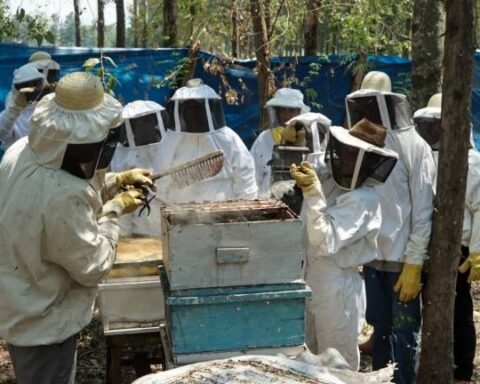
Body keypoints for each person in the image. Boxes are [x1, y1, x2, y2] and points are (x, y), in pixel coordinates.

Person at [0, 72, 154, 384]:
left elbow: (67, 182)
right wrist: (113, 211)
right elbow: (93, 266)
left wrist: (116, 181)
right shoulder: (62, 195)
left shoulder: (21, 151)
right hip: (44, 324)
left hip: (22, 302)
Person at [346, 71, 436, 383]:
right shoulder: (358, 143)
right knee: (379, 328)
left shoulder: (414, 146)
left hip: (402, 260)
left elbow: (424, 210)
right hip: (372, 257)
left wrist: (414, 262)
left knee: (404, 334)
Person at [290, 118, 398, 370]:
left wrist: (313, 193)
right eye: (346, 152)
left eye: (354, 155)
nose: (346, 159)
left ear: (369, 162)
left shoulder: (365, 199)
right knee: (305, 359)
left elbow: (324, 240)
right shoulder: (329, 180)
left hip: (337, 286)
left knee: (337, 362)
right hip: (307, 277)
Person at [414, 93, 478, 384]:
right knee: (430, 307)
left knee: (460, 310)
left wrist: (477, 251)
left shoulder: (471, 161)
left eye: (436, 125)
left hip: (460, 249)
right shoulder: (424, 157)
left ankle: (462, 373)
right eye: (428, 125)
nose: (431, 131)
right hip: (428, 244)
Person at [156, 78, 257, 203]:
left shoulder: (228, 137)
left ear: (210, 108)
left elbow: (245, 174)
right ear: (181, 110)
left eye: (197, 108)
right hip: (180, 210)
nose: (194, 113)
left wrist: (243, 208)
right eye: (189, 108)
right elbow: (161, 183)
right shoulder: (170, 140)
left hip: (224, 209)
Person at [110, 100, 168, 237]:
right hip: (140, 233)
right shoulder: (120, 155)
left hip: (174, 227)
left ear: (155, 123)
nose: (143, 127)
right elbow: (121, 201)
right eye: (137, 124)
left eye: (146, 121)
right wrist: (124, 237)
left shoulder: (170, 147)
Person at [250, 88, 310, 198]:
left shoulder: (309, 139)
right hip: (266, 201)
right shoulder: (264, 138)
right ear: (277, 112)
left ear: (299, 112)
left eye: (291, 110)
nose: (286, 115)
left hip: (300, 203)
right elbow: (253, 175)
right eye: (283, 110)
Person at [0, 58, 61, 149]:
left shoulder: (59, 103)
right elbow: (2, 133)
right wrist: (14, 109)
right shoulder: (15, 99)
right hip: (19, 158)